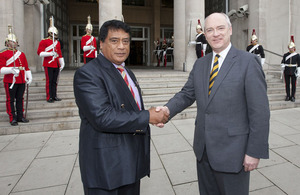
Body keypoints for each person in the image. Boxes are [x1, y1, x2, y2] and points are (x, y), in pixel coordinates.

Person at [157, 13, 270, 195]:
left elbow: (260, 112)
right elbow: (187, 94)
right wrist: (167, 110)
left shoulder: (248, 62)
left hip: (234, 153)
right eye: (210, 30)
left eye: (220, 28)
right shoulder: (200, 64)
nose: (215, 34)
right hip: (204, 151)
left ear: (230, 30)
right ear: (205, 34)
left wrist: (254, 151)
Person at [73, 19, 169, 195]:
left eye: (126, 41)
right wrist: (147, 117)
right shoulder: (88, 74)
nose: (121, 46)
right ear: (101, 43)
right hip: (106, 168)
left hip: (130, 162)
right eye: (114, 40)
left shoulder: (127, 71)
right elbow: (103, 117)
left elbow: (128, 109)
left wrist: (150, 115)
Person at [0, 25, 32, 126]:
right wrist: (11, 70)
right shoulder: (3, 54)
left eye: (15, 41)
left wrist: (29, 76)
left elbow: (26, 67)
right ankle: (12, 117)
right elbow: (1, 69)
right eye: (11, 41)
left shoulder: (21, 54)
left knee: (20, 99)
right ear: (7, 42)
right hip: (10, 80)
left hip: (21, 80)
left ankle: (20, 116)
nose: (13, 43)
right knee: (10, 100)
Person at [37, 16, 65, 103]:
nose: (55, 36)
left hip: (56, 64)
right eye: (54, 34)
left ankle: (54, 95)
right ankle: (49, 96)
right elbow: (40, 53)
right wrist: (49, 53)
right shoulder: (44, 41)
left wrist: (62, 63)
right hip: (48, 63)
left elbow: (59, 53)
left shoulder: (57, 43)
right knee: (49, 81)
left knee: (55, 81)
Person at [281, 35, 300, 102]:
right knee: (287, 84)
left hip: (293, 70)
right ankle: (288, 95)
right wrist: (283, 66)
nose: (290, 49)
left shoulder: (297, 55)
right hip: (287, 70)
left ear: (294, 48)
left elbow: (299, 64)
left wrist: (298, 72)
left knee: (293, 84)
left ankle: (293, 96)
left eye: (292, 48)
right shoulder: (285, 55)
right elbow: (282, 61)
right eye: (289, 47)